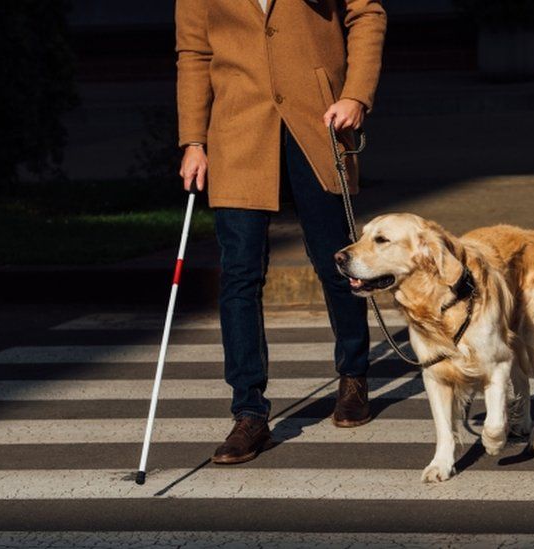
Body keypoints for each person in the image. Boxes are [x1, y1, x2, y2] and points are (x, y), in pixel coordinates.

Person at [175, 0, 387, 464]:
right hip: (237, 131)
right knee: (239, 277)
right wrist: (194, 139)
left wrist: (355, 94)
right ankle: (249, 412)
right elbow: (194, 53)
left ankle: (353, 374)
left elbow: (366, 12)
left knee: (338, 263)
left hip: (317, 121)